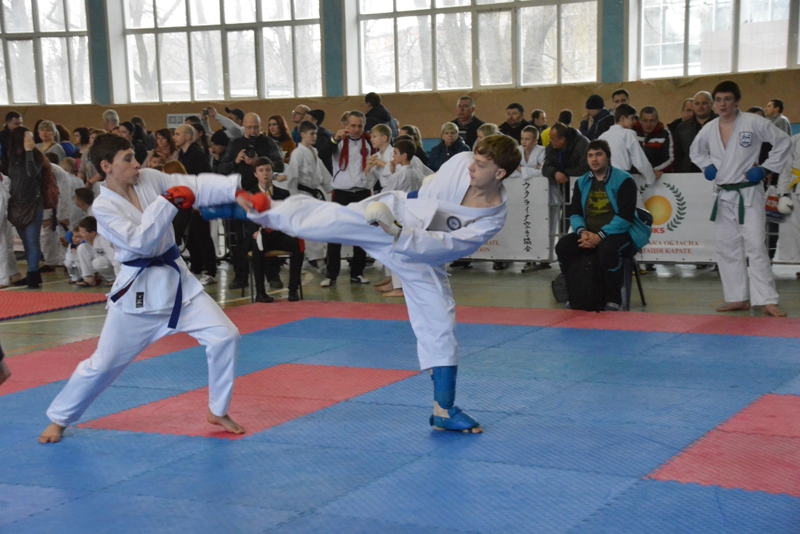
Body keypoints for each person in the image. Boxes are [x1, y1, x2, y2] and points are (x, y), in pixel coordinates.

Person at [232, 134, 522, 433]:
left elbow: (448, 246)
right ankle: (264, 209)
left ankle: (444, 410)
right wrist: (394, 223)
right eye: (475, 159)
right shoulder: (461, 162)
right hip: (391, 215)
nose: (473, 166)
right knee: (333, 220)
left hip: (420, 251)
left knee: (440, 318)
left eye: (481, 165)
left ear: (500, 173)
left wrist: (398, 233)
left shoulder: (492, 217)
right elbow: (426, 193)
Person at [38, 134, 245, 444]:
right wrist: (167, 202)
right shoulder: (104, 207)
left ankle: (218, 410)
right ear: (106, 166)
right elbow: (142, 243)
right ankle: (60, 418)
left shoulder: (149, 178)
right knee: (104, 364)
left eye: (135, 156)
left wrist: (235, 190)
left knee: (225, 336)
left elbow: (193, 185)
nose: (137, 163)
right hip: (138, 296)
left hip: (179, 288)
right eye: (128, 159)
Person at [690, 81, 791, 316]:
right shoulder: (709, 128)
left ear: (737, 101)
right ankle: (737, 297)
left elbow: (783, 141)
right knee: (727, 247)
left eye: (727, 99)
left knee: (755, 245)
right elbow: (696, 151)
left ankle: (767, 300)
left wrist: (766, 168)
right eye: (718, 100)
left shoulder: (753, 122)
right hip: (723, 193)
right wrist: (706, 165)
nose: (722, 104)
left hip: (749, 193)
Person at [556, 140, 651, 311]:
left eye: (599, 154)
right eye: (590, 155)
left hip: (620, 233)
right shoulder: (582, 182)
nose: (594, 159)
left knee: (607, 250)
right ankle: (575, 294)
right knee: (563, 247)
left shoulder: (624, 180)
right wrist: (583, 232)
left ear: (608, 157)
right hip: (589, 233)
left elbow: (625, 218)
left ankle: (613, 298)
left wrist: (599, 236)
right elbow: (575, 213)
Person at [218, 112, 285, 289]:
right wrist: (235, 161)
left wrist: (258, 161)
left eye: (256, 127)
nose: (252, 131)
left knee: (268, 235)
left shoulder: (268, 142)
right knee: (239, 239)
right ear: (243, 127)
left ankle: (273, 275)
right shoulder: (235, 144)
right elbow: (221, 169)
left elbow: (280, 165)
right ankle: (240, 276)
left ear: (261, 127)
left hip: (264, 197)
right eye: (249, 127)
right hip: (241, 197)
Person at [323, 111, 375, 287]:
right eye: (353, 125)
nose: (356, 129)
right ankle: (331, 275)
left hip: (362, 192)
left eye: (360, 125)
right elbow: (323, 154)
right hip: (341, 192)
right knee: (335, 232)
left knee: (360, 233)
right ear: (346, 125)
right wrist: (334, 140)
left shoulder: (370, 141)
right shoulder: (338, 140)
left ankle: (357, 273)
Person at [247, 157, 303, 302]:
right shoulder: (250, 194)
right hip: (261, 234)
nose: (265, 174)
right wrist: (253, 232)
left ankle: (293, 290)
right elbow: (246, 219)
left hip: (279, 234)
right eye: (261, 171)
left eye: (268, 170)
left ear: (272, 172)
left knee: (297, 245)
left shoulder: (283, 194)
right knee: (257, 246)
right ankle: (260, 293)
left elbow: (288, 216)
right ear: (255, 174)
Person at [281, 119, 332, 266]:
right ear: (303, 134)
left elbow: (321, 172)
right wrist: (293, 197)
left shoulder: (314, 151)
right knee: (309, 225)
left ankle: (314, 255)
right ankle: (315, 257)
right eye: (312, 133)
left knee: (315, 225)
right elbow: (293, 176)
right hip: (302, 194)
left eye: (315, 133)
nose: (315, 136)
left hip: (313, 193)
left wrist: (331, 188)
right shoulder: (297, 153)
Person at [175, 125, 217, 286]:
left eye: (178, 134)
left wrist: (202, 201)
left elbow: (205, 178)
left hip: (199, 201)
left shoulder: (197, 154)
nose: (174, 137)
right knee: (190, 236)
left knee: (202, 235)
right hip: (186, 200)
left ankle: (211, 271)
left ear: (187, 137)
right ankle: (196, 267)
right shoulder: (182, 154)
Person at [6, 128, 47, 288]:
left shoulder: (36, 155)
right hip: (17, 204)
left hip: (33, 203)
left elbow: (31, 173)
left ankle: (32, 275)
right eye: (27, 137)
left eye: (31, 137)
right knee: (25, 241)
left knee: (32, 240)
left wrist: (29, 152)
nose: (31, 140)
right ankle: (34, 273)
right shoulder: (12, 156)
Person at [515, 126, 551, 271]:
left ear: (535, 141)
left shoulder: (542, 151)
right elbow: (511, 171)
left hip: (543, 195)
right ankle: (528, 257)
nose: (523, 142)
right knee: (526, 225)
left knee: (543, 226)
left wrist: (521, 169)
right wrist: (531, 170)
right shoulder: (517, 151)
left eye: (527, 139)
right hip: (522, 194)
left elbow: (543, 172)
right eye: (522, 138)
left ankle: (544, 258)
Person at [598, 104, 657, 190]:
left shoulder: (602, 136)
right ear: (622, 118)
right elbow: (639, 160)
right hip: (622, 178)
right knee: (632, 199)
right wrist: (651, 177)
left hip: (603, 180)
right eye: (632, 118)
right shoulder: (628, 134)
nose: (634, 121)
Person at [674, 91, 716, 172]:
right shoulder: (682, 127)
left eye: (704, 103)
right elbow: (678, 154)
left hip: (716, 170)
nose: (700, 106)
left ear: (711, 104)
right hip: (689, 172)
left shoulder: (722, 123)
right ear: (693, 106)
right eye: (697, 103)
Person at [74, 216, 120, 287]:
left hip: (115, 266)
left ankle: (113, 279)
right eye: (79, 231)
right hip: (104, 265)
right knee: (81, 247)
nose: (80, 234)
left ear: (92, 233)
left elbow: (115, 259)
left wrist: (120, 279)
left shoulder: (103, 239)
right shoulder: (88, 241)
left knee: (97, 262)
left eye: (82, 232)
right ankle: (90, 279)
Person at [0, 170, 22, 288]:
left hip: (3, 218)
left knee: (2, 248)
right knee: (7, 248)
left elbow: (2, 204)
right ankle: (14, 273)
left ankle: (3, 279)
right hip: (5, 218)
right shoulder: (4, 180)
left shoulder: (4, 180)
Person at [305, 109, 334, 174]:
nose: (303, 121)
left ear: (314, 121)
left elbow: (321, 155)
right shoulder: (322, 132)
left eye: (306, 119)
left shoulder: (321, 136)